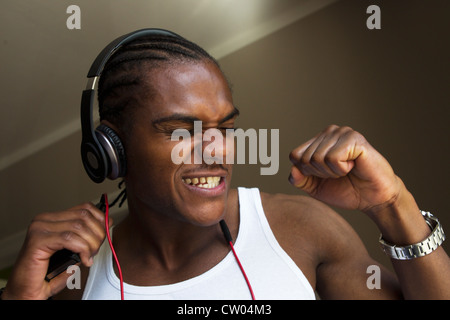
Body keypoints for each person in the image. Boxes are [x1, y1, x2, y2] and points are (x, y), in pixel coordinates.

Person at [1, 30, 449, 300]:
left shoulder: (299, 228)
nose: (216, 149)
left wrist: (393, 204)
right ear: (112, 149)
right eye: (182, 130)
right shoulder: (72, 274)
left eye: (225, 128)